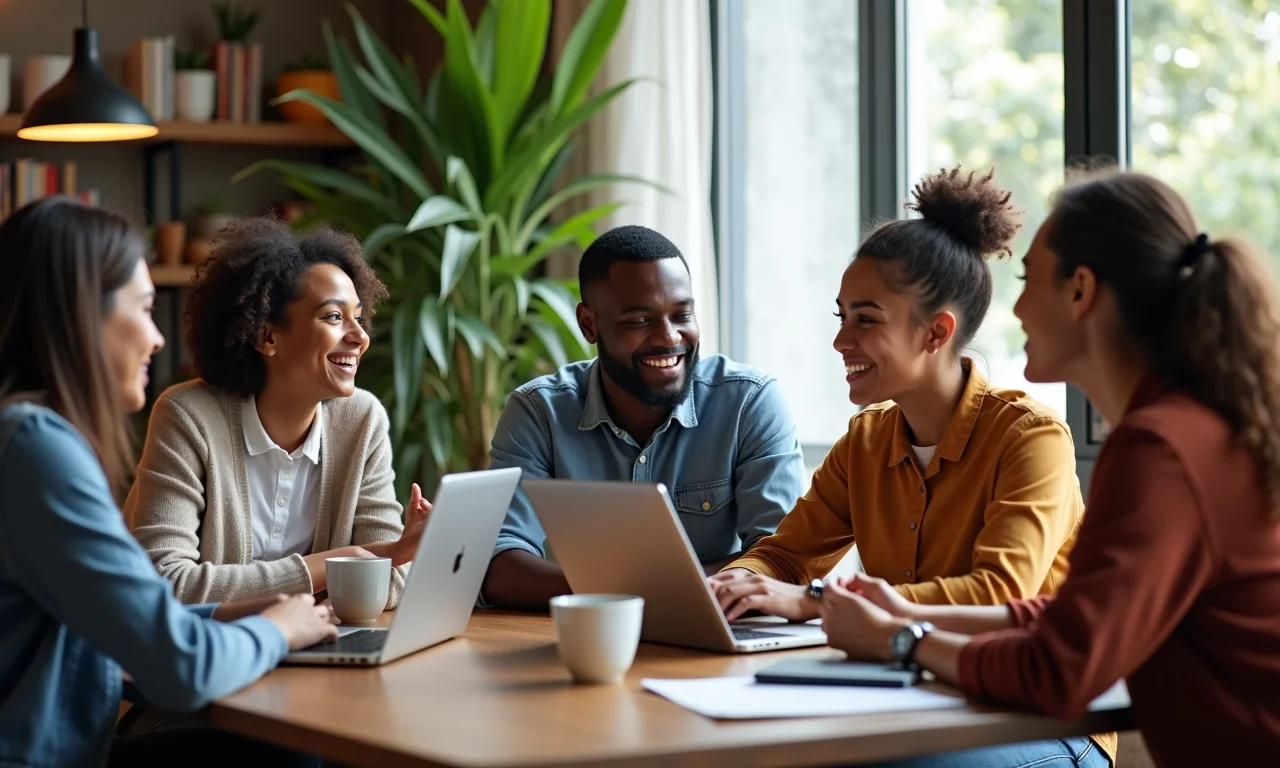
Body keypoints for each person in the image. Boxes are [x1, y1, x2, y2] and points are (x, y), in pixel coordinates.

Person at [818, 170, 1280, 768]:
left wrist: (900, 639)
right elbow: (1081, 613)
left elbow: (1059, 668)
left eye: (1026, 277)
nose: (1014, 305)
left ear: (1080, 291)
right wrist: (909, 611)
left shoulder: (1159, 447)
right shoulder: (1183, 429)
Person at [710, 167, 1111, 767]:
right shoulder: (867, 439)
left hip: (1036, 716)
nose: (842, 340)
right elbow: (788, 554)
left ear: (936, 333)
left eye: (865, 320)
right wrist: (736, 583)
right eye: (840, 316)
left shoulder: (1031, 439)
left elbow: (997, 595)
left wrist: (816, 602)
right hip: (909, 697)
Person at [0, 197, 337, 767]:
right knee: (298, 756)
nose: (158, 338)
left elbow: (130, 612)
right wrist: (278, 631)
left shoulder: (22, 436)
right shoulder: (36, 450)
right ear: (83, 314)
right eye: (144, 308)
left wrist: (247, 612)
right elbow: (182, 669)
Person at [481, 225, 807, 610]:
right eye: (639, 321)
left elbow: (783, 559)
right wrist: (652, 594)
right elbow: (498, 566)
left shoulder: (750, 403)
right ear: (589, 324)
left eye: (682, 314)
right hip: (585, 644)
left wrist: (613, 593)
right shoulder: (539, 412)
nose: (669, 337)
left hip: (720, 649)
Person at [125, 217, 430, 606]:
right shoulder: (188, 418)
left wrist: (391, 555)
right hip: (211, 658)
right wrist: (342, 563)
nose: (360, 337)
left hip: (317, 652)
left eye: (359, 317)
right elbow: (166, 584)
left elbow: (391, 582)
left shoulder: (362, 420)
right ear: (266, 335)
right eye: (334, 317)